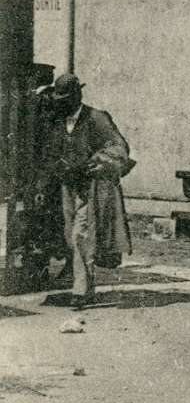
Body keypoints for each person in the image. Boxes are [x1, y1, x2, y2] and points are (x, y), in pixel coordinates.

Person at [40, 74, 135, 308]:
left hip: (91, 186)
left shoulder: (97, 118)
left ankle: (82, 290)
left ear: (77, 96)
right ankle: (81, 281)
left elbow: (119, 147)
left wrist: (95, 162)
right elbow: (50, 152)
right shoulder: (57, 121)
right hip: (67, 186)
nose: (61, 103)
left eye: (65, 99)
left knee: (81, 234)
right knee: (70, 235)